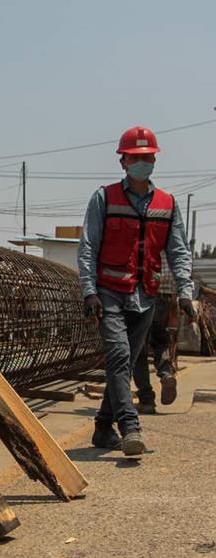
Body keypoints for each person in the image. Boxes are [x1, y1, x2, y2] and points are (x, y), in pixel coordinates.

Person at [77, 125, 194, 456]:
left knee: (123, 365)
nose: (142, 162)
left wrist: (185, 291)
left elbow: (179, 252)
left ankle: (102, 428)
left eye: (148, 157)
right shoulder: (104, 197)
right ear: (123, 162)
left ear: (154, 161)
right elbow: (88, 247)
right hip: (109, 292)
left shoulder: (167, 203)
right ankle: (130, 427)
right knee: (119, 356)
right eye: (136, 157)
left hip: (145, 295)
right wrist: (89, 291)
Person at [132, 295, 177, 413]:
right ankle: (166, 373)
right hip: (164, 299)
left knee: (139, 350)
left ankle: (146, 400)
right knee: (160, 342)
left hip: (141, 297)